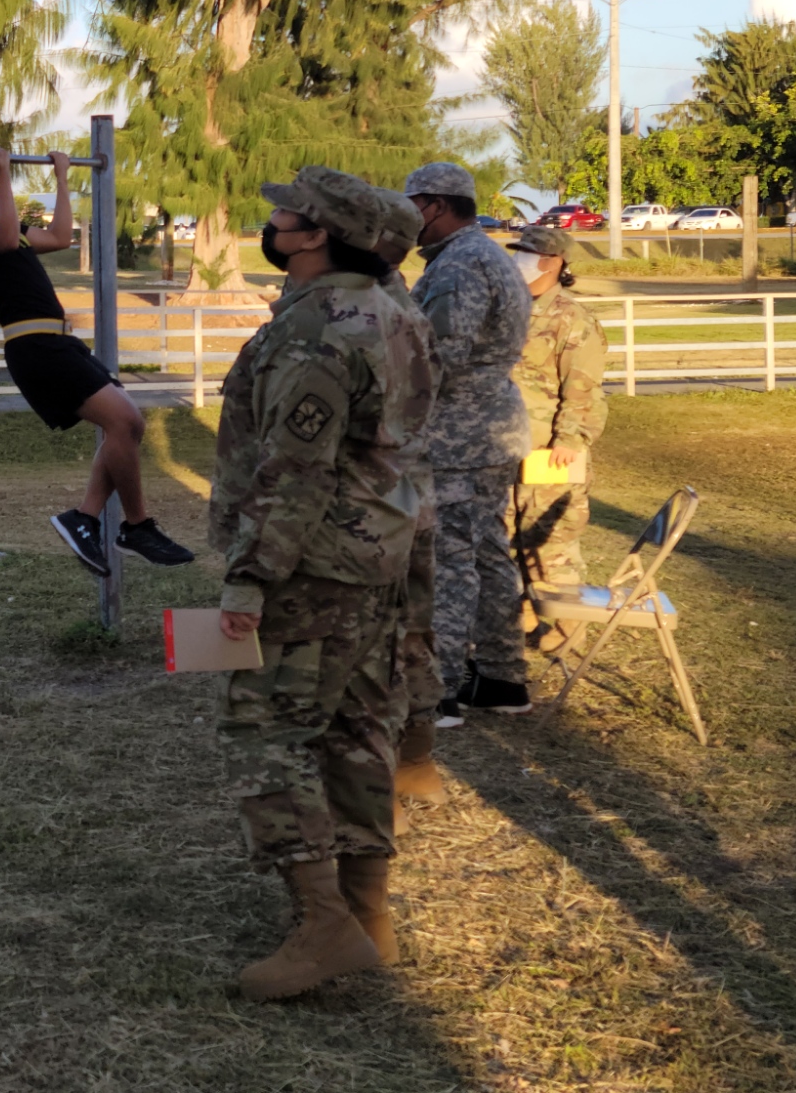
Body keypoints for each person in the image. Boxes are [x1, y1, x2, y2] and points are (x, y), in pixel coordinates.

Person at [212, 168, 436, 1001]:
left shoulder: (317, 330)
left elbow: (295, 470)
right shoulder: (395, 312)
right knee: (357, 730)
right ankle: (367, 914)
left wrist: (249, 580)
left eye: (283, 213)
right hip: (377, 552)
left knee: (261, 730)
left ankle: (324, 924)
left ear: (314, 234)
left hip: (310, 564)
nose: (270, 221)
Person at [0, 145, 187, 571]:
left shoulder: (11, 230)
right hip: (36, 346)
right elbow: (4, 237)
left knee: (127, 426)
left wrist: (62, 177)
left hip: (59, 342)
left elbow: (62, 237)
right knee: (125, 420)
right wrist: (4, 173)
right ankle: (135, 525)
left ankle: (84, 518)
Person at [404, 161, 533, 723]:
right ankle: (504, 679)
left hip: (460, 437)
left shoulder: (459, 265)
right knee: (486, 553)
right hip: (489, 430)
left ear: (434, 205)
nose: (406, 220)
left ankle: (441, 690)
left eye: (411, 207)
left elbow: (441, 356)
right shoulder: (488, 256)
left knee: (449, 561)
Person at [365, 189, 448, 832]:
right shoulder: (403, 302)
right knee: (412, 635)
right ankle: (415, 763)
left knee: (373, 647)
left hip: (374, 504)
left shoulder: (366, 313)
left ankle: (379, 785)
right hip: (410, 494)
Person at [504, 223, 607, 616]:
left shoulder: (572, 319)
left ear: (551, 263)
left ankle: (564, 630)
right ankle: (526, 621)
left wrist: (568, 439)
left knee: (549, 544)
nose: (518, 262)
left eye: (525, 255)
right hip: (509, 447)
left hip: (551, 453)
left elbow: (583, 388)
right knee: (509, 538)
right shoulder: (515, 310)